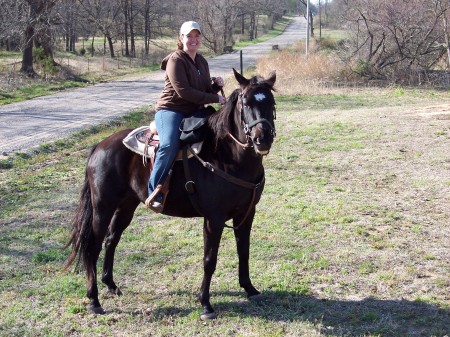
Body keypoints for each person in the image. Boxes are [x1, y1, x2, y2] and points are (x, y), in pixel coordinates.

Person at [145, 20, 226, 212]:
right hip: (172, 109)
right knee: (169, 144)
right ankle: (154, 190)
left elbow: (204, 89)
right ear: (181, 38)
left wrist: (216, 87)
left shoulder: (202, 61)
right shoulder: (175, 60)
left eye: (197, 36)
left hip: (194, 110)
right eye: (189, 36)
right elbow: (184, 92)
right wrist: (215, 97)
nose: (194, 40)